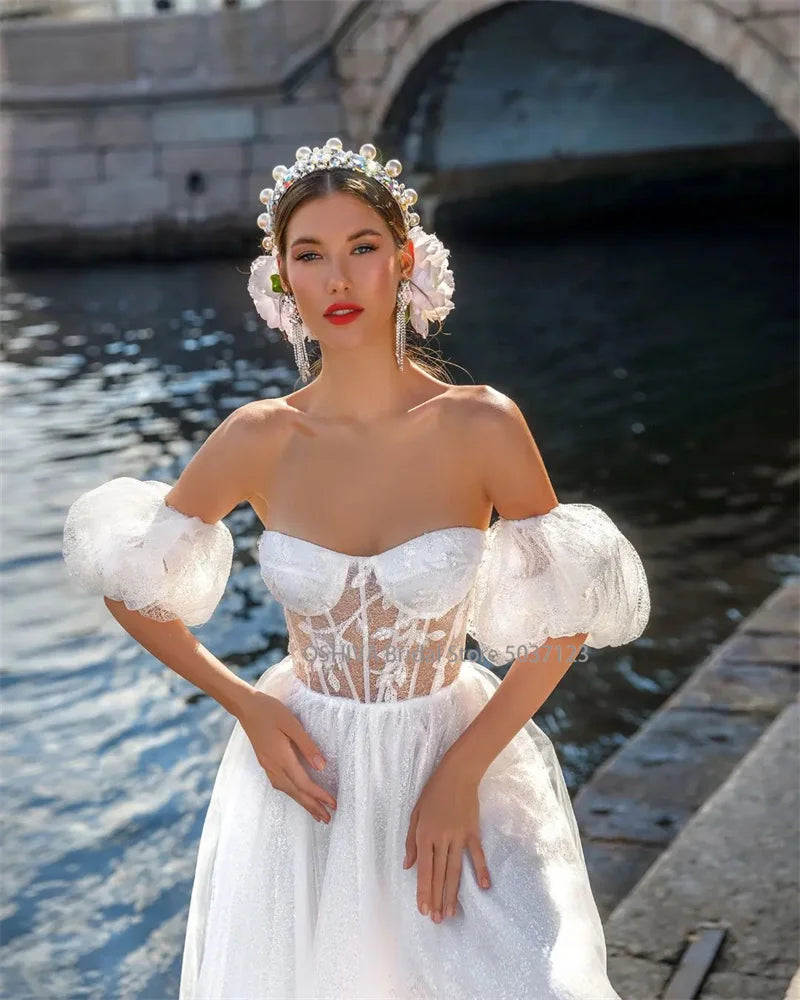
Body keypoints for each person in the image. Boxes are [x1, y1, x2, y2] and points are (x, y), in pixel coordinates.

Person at [62, 137, 650, 1000]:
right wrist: (250, 705)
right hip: (310, 782)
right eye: (310, 256)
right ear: (281, 281)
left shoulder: (480, 424)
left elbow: (567, 617)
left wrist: (460, 772)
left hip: (454, 755)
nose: (337, 280)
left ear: (403, 263)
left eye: (361, 249)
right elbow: (131, 580)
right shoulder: (259, 437)